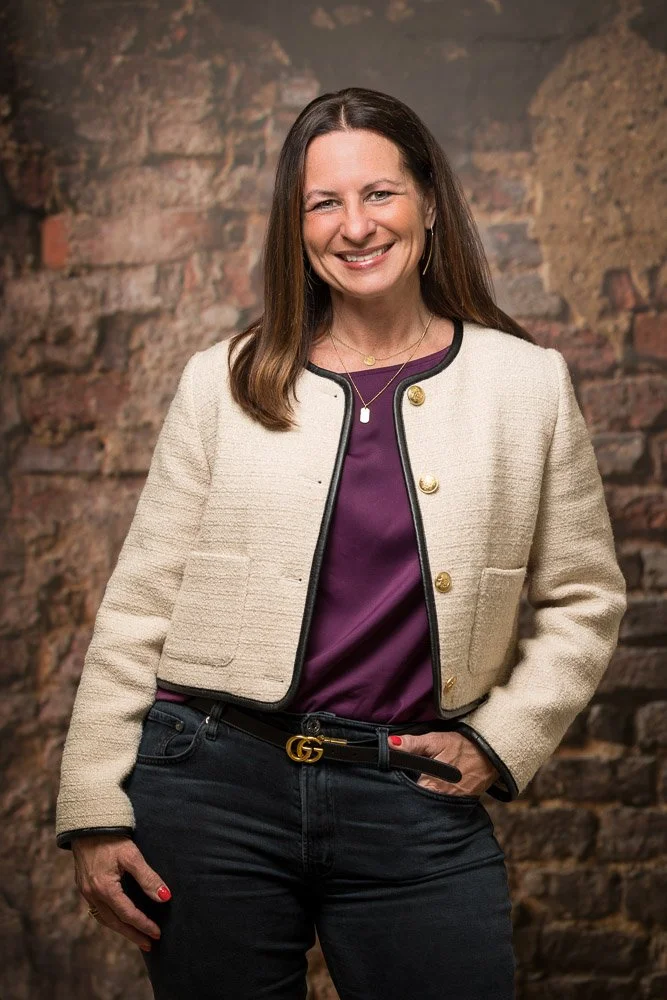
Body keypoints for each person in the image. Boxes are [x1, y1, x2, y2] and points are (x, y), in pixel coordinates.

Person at [56, 87, 627, 1000]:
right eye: (323, 203)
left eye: (379, 194)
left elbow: (585, 599)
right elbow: (139, 602)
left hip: (409, 798)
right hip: (209, 786)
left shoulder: (526, 385)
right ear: (297, 226)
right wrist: (91, 805)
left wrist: (500, 738)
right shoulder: (224, 379)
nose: (353, 226)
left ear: (429, 204)